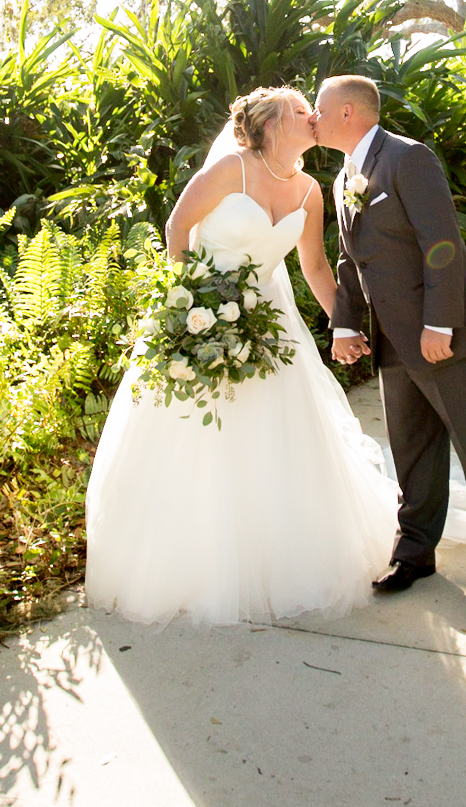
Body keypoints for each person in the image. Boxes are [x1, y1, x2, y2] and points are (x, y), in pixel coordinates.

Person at [84, 85, 399, 625]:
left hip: (268, 326)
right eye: (303, 112)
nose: (314, 117)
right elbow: (177, 226)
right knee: (199, 436)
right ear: (274, 124)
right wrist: (190, 302)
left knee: (277, 438)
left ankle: (277, 552)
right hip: (201, 313)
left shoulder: (310, 191)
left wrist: (342, 325)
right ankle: (192, 561)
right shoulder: (232, 168)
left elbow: (316, 268)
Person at [312, 73, 466, 631]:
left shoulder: (408, 158)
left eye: (319, 108)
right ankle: (414, 555)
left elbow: (443, 244)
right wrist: (344, 326)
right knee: (412, 453)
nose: (312, 117)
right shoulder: (343, 177)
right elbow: (348, 261)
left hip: (440, 337)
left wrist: (440, 323)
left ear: (348, 112)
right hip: (389, 343)